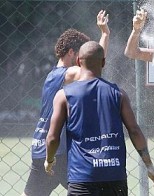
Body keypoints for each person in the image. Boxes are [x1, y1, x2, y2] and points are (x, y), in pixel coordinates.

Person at [44, 41, 154, 195]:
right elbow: (134, 130)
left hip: (82, 178)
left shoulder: (64, 95)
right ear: (103, 62)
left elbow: (53, 137)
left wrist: (49, 160)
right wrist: (149, 166)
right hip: (114, 177)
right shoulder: (118, 93)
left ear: (79, 61)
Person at [22, 10, 110, 196]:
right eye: (82, 54)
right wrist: (104, 34)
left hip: (46, 148)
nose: (85, 59)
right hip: (57, 151)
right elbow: (94, 66)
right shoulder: (65, 74)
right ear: (71, 52)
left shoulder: (56, 75)